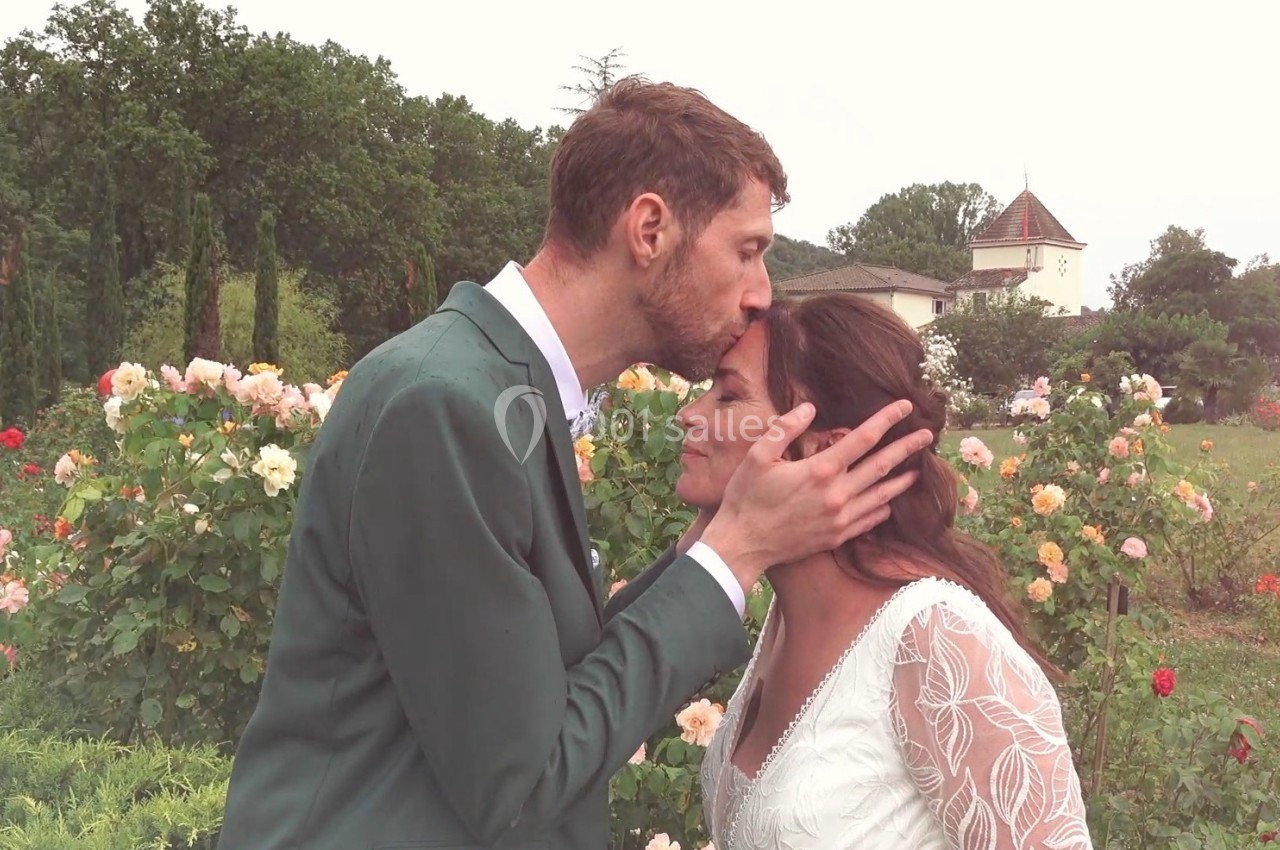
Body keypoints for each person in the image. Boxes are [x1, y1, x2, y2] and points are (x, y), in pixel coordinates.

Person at [215, 78, 933, 850]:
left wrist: (710, 547)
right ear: (650, 229)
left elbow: (533, 690)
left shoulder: (498, 386)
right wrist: (737, 552)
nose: (762, 293)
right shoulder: (445, 404)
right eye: (747, 250)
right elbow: (522, 779)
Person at [689, 292, 1095, 850]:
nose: (690, 415)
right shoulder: (788, 616)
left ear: (825, 450)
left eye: (729, 395)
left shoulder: (939, 643)